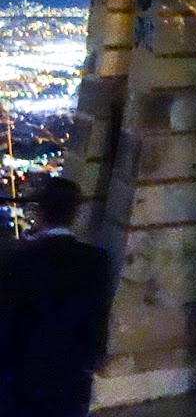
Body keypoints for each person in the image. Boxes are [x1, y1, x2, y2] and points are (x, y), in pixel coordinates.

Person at [0, 176, 114, 417]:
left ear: (39, 212)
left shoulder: (19, 261)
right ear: (76, 213)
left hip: (21, 383)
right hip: (70, 382)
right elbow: (97, 322)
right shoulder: (96, 261)